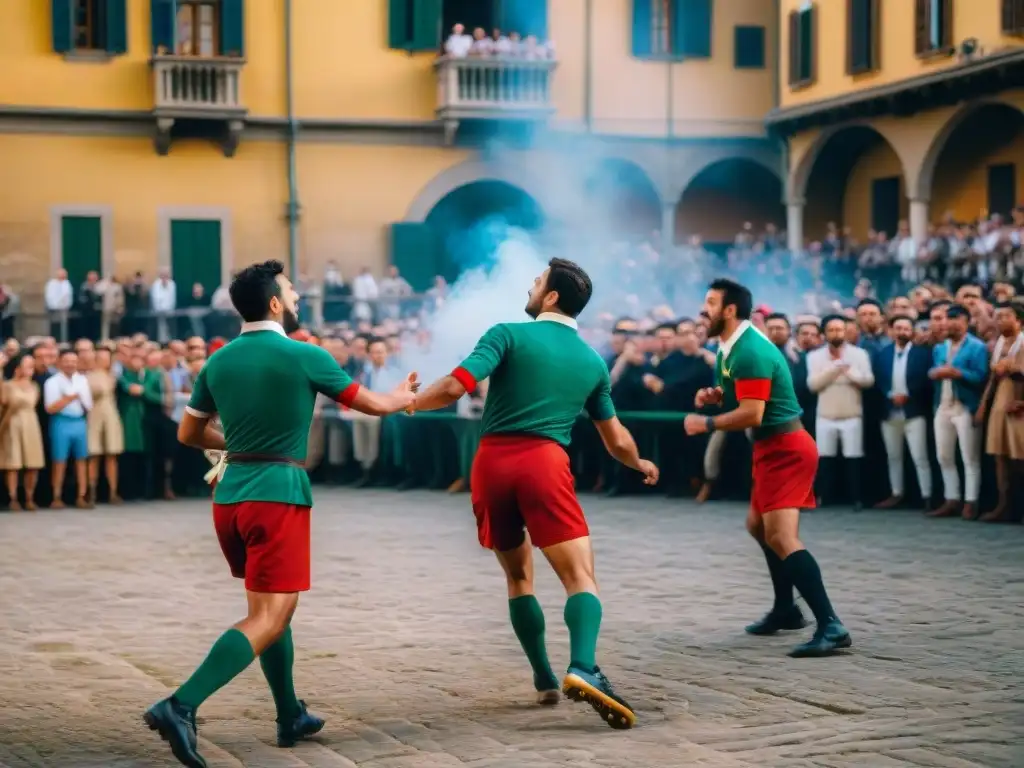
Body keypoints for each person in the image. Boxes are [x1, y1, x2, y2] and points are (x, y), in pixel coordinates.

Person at [142, 260, 419, 768]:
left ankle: (289, 713)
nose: (296, 300)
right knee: (269, 615)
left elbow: (189, 434)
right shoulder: (304, 354)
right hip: (278, 494)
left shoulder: (218, 362)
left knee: (272, 611)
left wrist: (241, 443)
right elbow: (373, 405)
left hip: (231, 498)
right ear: (275, 303)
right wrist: (402, 397)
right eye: (291, 293)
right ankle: (179, 705)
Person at [410, 257, 659, 730]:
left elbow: (452, 387)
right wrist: (640, 462)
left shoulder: (506, 333)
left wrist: (405, 403)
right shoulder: (591, 362)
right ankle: (583, 666)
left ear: (551, 297)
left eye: (538, 280)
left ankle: (544, 677)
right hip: (543, 464)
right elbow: (616, 439)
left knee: (519, 578)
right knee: (580, 576)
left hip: (490, 464)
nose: (531, 284)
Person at [683, 278, 851, 658]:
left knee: (781, 536)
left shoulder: (750, 350)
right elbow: (742, 395)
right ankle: (786, 610)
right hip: (770, 448)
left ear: (729, 310)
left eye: (710, 303)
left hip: (787, 449)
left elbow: (753, 412)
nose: (702, 309)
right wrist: (715, 397)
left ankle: (831, 624)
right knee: (757, 526)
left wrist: (706, 422)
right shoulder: (729, 348)